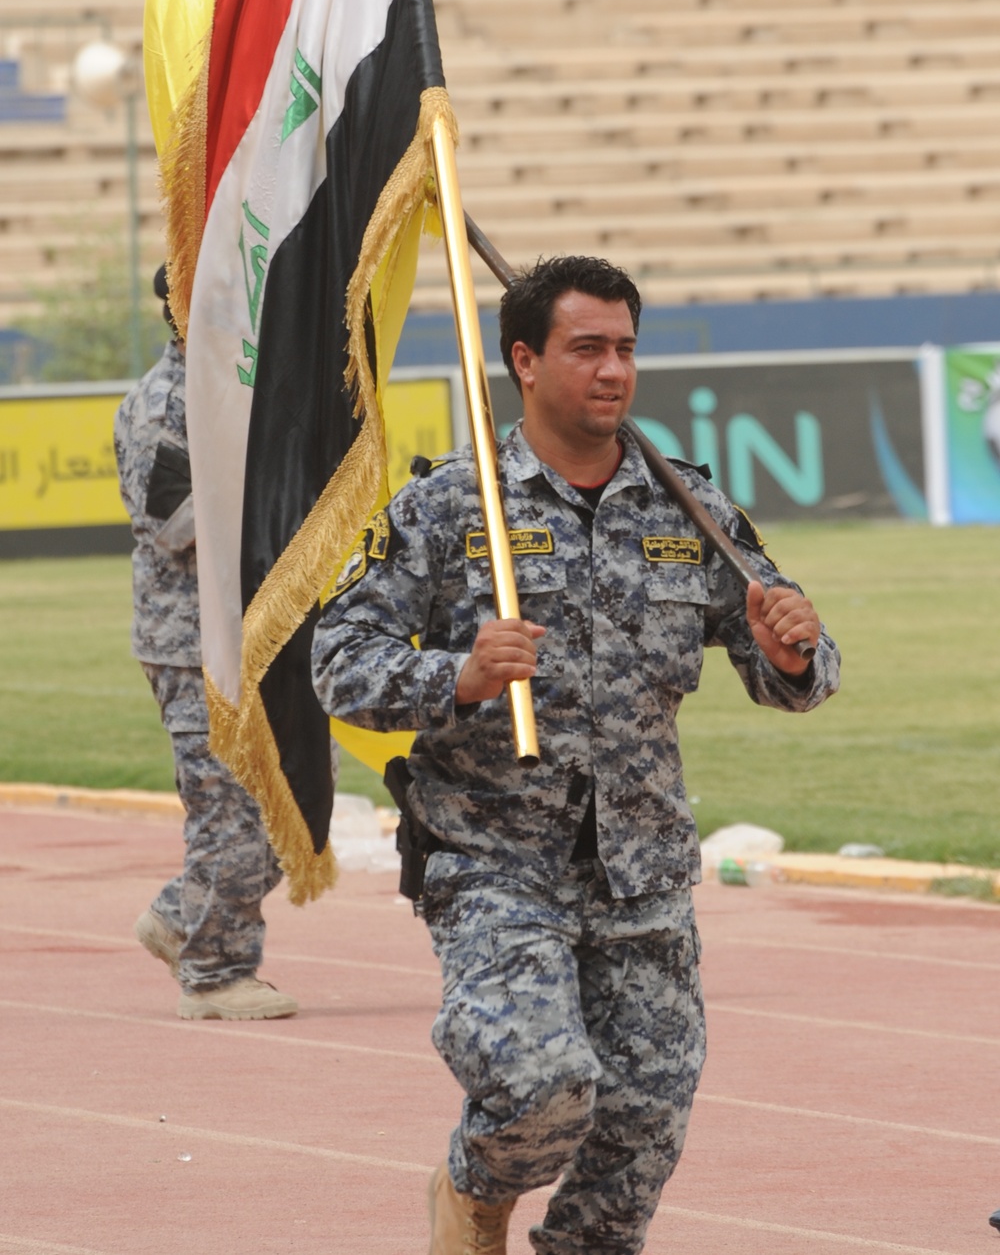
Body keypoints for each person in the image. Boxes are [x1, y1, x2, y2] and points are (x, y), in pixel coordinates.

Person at [311, 256, 841, 1254]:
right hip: (493, 865)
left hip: (642, 875)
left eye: (625, 350)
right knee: (542, 1086)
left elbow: (793, 663)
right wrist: (455, 678)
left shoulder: (688, 510)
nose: (612, 372)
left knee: (637, 1138)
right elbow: (337, 662)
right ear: (524, 358)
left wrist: (791, 653)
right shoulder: (447, 508)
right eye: (586, 348)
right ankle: (471, 1188)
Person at [114, 265, 297, 1021]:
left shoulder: (237, 390)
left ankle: (178, 915)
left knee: (290, 815)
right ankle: (215, 973)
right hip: (192, 642)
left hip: (251, 633)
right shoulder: (165, 403)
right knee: (229, 812)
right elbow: (173, 522)